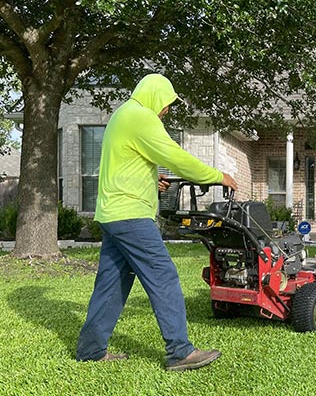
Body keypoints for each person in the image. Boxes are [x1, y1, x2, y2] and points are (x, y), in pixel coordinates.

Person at [76, 73, 237, 371]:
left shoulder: (123, 115)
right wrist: (218, 176)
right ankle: (179, 351)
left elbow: (126, 162)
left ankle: (90, 349)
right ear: (155, 95)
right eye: (166, 103)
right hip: (131, 216)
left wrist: (152, 178)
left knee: (111, 283)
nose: (166, 110)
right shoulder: (142, 117)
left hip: (114, 214)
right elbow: (176, 157)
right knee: (163, 277)